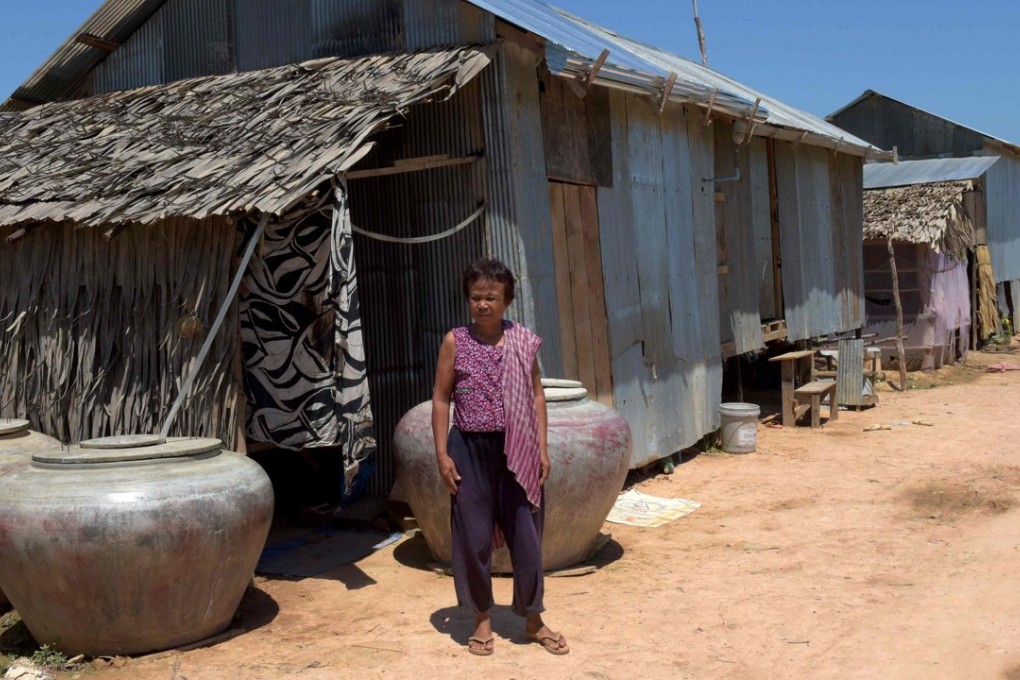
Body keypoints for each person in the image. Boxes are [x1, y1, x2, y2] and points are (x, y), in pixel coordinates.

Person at [431, 258, 569, 657]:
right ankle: (481, 618)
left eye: (491, 297)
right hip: (469, 451)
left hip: (518, 451)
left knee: (527, 537)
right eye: (476, 297)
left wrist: (541, 447)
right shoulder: (455, 341)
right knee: (473, 539)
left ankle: (533, 619)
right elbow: (440, 398)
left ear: (507, 300)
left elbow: (537, 394)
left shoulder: (522, 341)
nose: (483, 304)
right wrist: (442, 454)